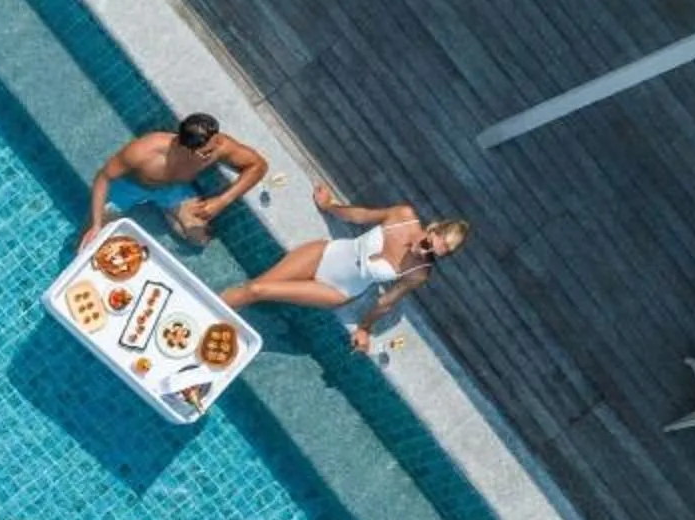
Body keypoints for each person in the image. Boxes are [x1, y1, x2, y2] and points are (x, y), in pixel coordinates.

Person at [223, 182, 469, 353]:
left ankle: (214, 319)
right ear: (432, 228)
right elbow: (360, 216)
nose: (424, 252)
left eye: (434, 255)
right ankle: (211, 312)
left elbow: (387, 301)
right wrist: (329, 205)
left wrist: (364, 328)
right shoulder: (402, 215)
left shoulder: (419, 273)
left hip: (336, 290)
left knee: (259, 292)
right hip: (325, 254)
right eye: (428, 244)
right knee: (253, 288)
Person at [81, 113, 267, 247]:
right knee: (91, 242)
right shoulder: (144, 152)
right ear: (186, 148)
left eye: (217, 141)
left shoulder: (219, 145)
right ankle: (167, 211)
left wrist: (223, 200)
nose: (217, 150)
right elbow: (103, 178)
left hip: (173, 190)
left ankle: (167, 209)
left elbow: (258, 165)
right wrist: (97, 224)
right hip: (132, 188)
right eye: (207, 152)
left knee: (199, 240)